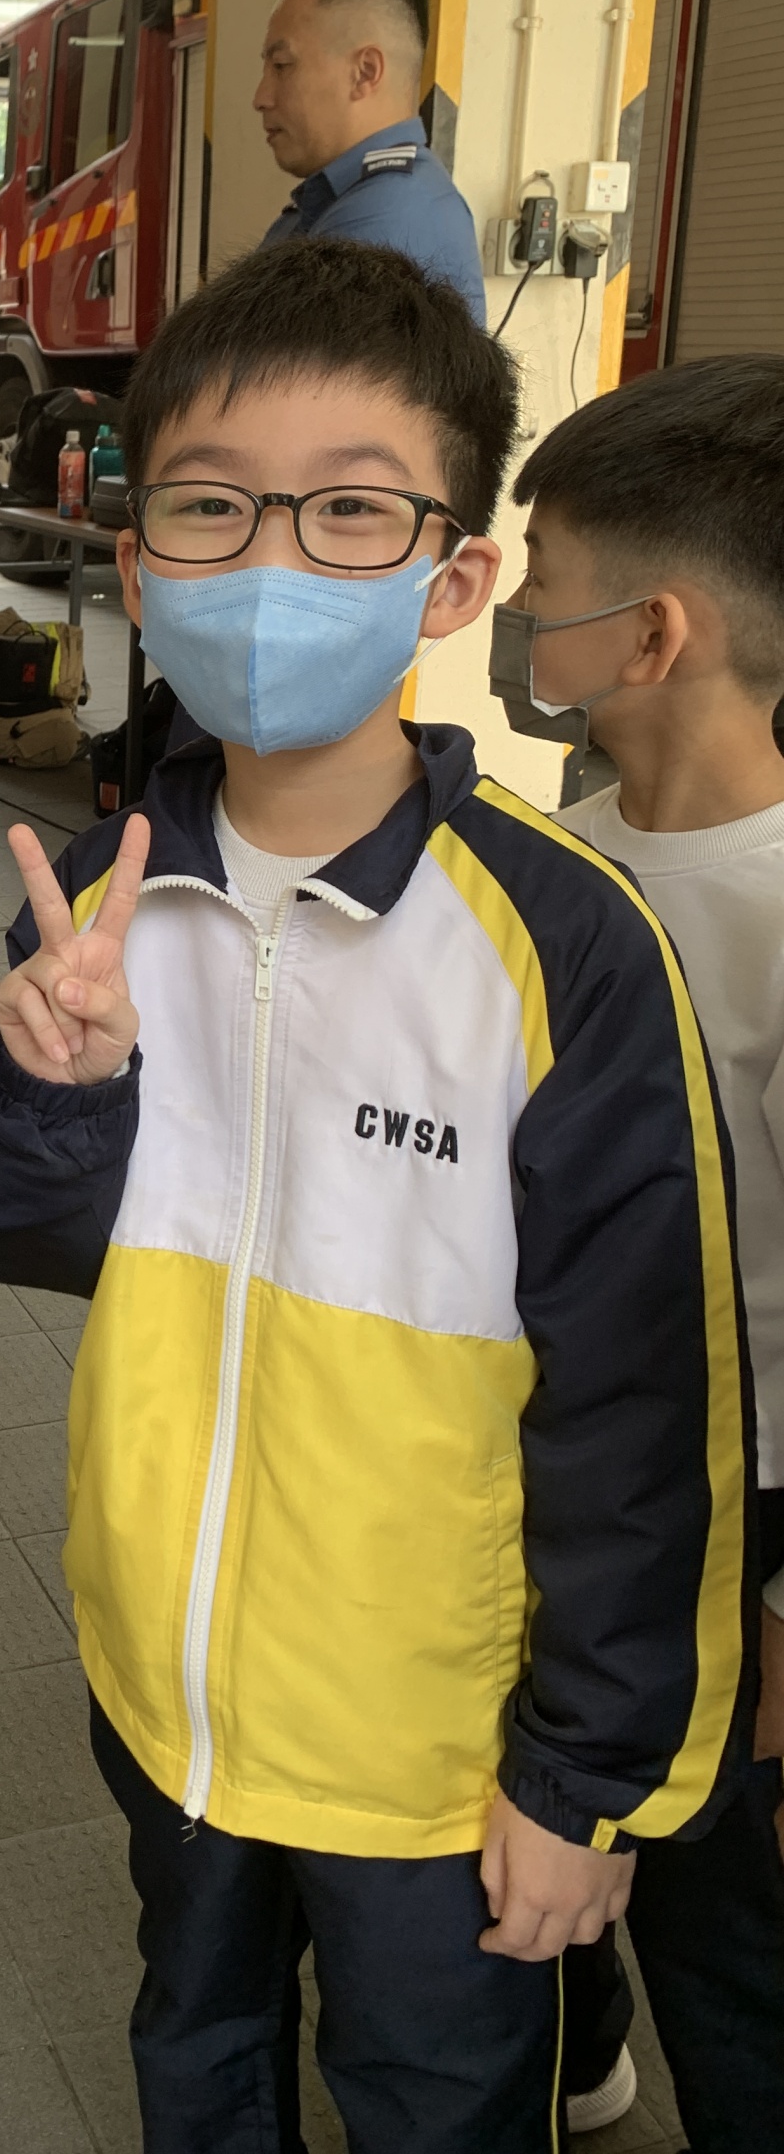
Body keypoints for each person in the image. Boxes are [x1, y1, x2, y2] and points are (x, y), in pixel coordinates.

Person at [0, 237, 748, 2154]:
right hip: (172, 1696)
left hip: (434, 1753)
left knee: (439, 2103)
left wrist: (585, 1781)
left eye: (352, 509)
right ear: (136, 562)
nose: (273, 560)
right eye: (211, 506)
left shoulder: (564, 949)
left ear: (454, 580)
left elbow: (646, 1417)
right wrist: (45, 1090)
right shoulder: (103, 899)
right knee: (196, 2055)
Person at [493, 356, 784, 2152]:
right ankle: (579, 2045)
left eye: (543, 578)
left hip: (747, 1500)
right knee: (551, 1785)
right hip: (571, 1453)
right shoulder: (562, 865)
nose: (521, 613)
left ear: (653, 633)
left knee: (714, 1891)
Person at [256, 0, 485, 321]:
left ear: (364, 73)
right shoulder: (336, 201)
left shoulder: (390, 218)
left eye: (282, 66)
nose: (261, 97)